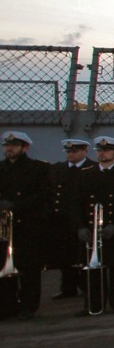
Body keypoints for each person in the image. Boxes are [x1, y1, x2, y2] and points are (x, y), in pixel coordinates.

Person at [76, 136, 114, 314]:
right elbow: (76, 203)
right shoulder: (86, 174)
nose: (101, 154)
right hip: (91, 229)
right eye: (99, 151)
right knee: (92, 271)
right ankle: (94, 304)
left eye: (105, 151)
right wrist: (81, 226)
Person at [0, 131, 53, 320]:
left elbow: (44, 195)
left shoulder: (38, 169)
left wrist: (17, 205)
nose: (9, 149)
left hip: (29, 225)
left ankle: (29, 306)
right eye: (6, 145)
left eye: (14, 146)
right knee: (4, 269)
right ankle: (7, 306)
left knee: (29, 268)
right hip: (5, 227)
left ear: (25, 148)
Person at [48, 138, 94, 299]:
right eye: (68, 152)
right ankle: (68, 287)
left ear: (84, 151)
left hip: (84, 219)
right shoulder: (58, 169)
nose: (71, 154)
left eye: (75, 151)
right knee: (65, 255)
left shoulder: (92, 168)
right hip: (62, 219)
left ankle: (86, 286)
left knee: (83, 255)